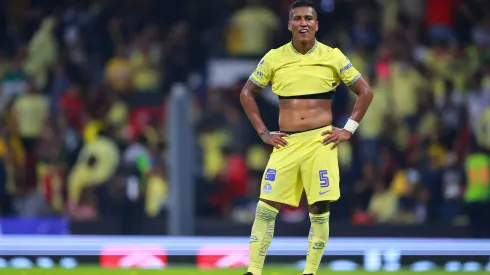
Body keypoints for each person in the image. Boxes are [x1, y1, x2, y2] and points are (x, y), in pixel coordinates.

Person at [239, 1, 374, 275]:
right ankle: (253, 270)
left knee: (319, 207)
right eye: (297, 18)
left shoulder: (333, 56)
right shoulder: (274, 57)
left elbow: (366, 92)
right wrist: (263, 133)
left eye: (308, 18)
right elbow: (246, 93)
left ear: (316, 24)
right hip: (286, 142)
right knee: (266, 206)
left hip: (319, 141)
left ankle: (310, 272)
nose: (303, 23)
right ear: (289, 24)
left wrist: (348, 129)